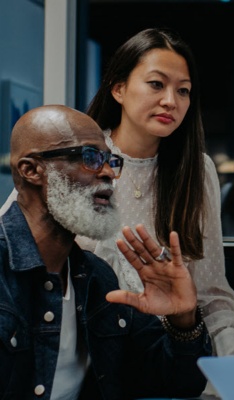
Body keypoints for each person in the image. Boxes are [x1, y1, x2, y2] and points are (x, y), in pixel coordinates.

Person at [0, 105, 211, 399]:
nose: (110, 172)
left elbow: (179, 382)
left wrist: (183, 317)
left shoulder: (99, 279)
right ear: (32, 170)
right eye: (89, 158)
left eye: (110, 160)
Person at [79, 27, 234, 367]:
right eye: (156, 84)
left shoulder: (196, 170)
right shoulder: (81, 158)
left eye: (183, 91)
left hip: (168, 354)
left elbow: (211, 293)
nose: (171, 101)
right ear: (119, 88)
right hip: (85, 352)